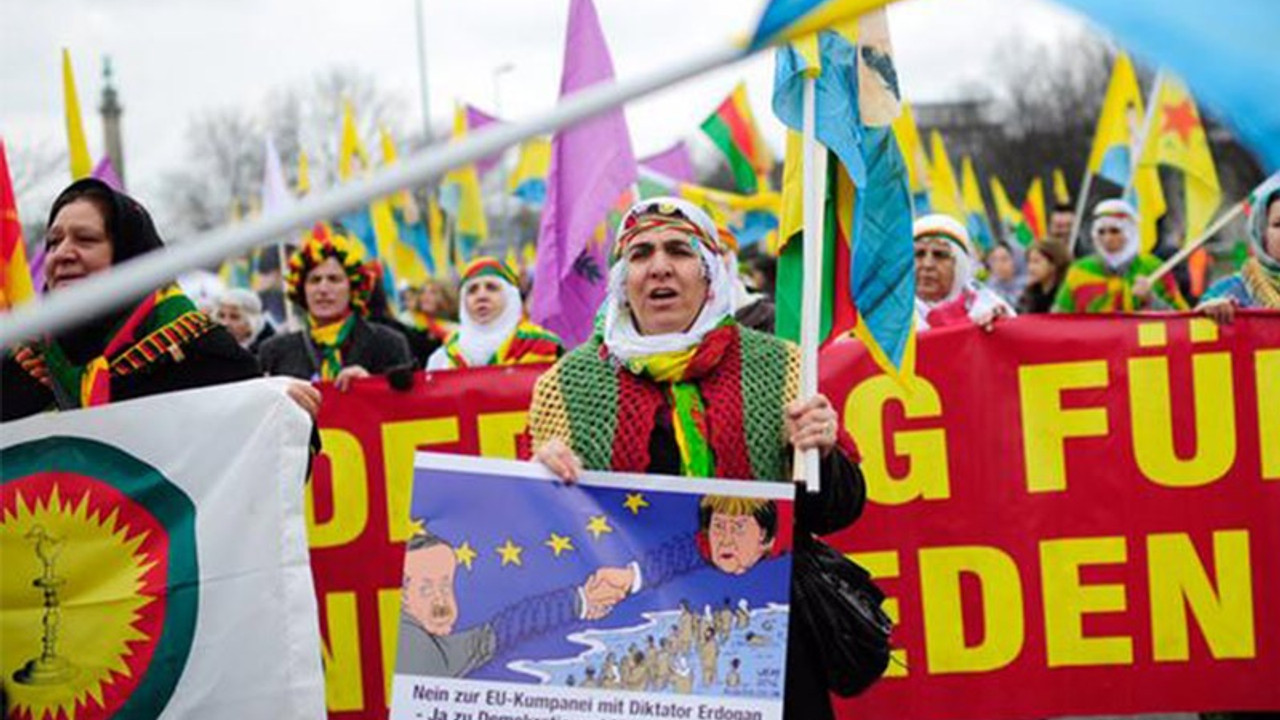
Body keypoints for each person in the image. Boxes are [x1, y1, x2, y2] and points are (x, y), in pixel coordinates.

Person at [528, 197, 865, 720]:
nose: (659, 265)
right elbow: (548, 540)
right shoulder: (566, 387)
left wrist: (824, 450)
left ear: (709, 274)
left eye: (679, 250)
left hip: (770, 644)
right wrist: (543, 480)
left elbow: (837, 513)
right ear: (622, 279)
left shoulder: (780, 365)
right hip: (639, 657)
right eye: (640, 254)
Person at [3, 179, 262, 422]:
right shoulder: (31, 361)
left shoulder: (201, 352)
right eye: (53, 242)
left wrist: (277, 399)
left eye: (86, 239)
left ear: (130, 255)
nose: (62, 254)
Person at [258, 224, 412, 390]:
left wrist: (371, 385)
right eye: (314, 280)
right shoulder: (274, 351)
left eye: (334, 279)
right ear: (302, 289)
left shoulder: (389, 344)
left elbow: (408, 406)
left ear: (352, 288)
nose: (323, 289)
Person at [425, 257, 563, 370]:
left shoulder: (541, 344)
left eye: (491, 288)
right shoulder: (445, 355)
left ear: (510, 296)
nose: (481, 296)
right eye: (472, 290)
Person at [1054, 199, 1188, 313]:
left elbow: (1180, 319)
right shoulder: (1080, 270)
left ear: (1129, 233)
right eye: (1101, 232)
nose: (1107, 238)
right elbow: (1059, 320)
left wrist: (1151, 299)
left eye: (1114, 231)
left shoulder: (1153, 267)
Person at [912, 214, 1015, 331]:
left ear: (959, 265)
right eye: (919, 254)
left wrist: (1001, 327)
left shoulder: (989, 306)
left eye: (940, 254)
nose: (927, 264)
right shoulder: (894, 314)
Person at [1197, 180, 1280, 323]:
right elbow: (1187, 336)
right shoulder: (1230, 291)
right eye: (1278, 224)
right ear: (1261, 233)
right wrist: (1208, 314)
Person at [213, 288, 276, 354]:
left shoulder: (270, 353)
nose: (225, 323)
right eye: (221, 316)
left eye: (234, 317)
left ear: (251, 323)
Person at [1017, 239, 1072, 314]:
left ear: (1054, 264)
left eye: (1036, 261)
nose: (1030, 268)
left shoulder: (1066, 294)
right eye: (1029, 262)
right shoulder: (1028, 296)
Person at [405, 277, 459, 345]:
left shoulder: (455, 329)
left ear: (446, 299)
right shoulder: (408, 321)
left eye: (433, 292)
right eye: (422, 292)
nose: (425, 296)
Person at [984, 242, 1025, 308]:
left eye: (1004, 259)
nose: (999, 265)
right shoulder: (990, 286)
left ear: (1015, 261)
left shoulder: (1026, 287)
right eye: (994, 260)